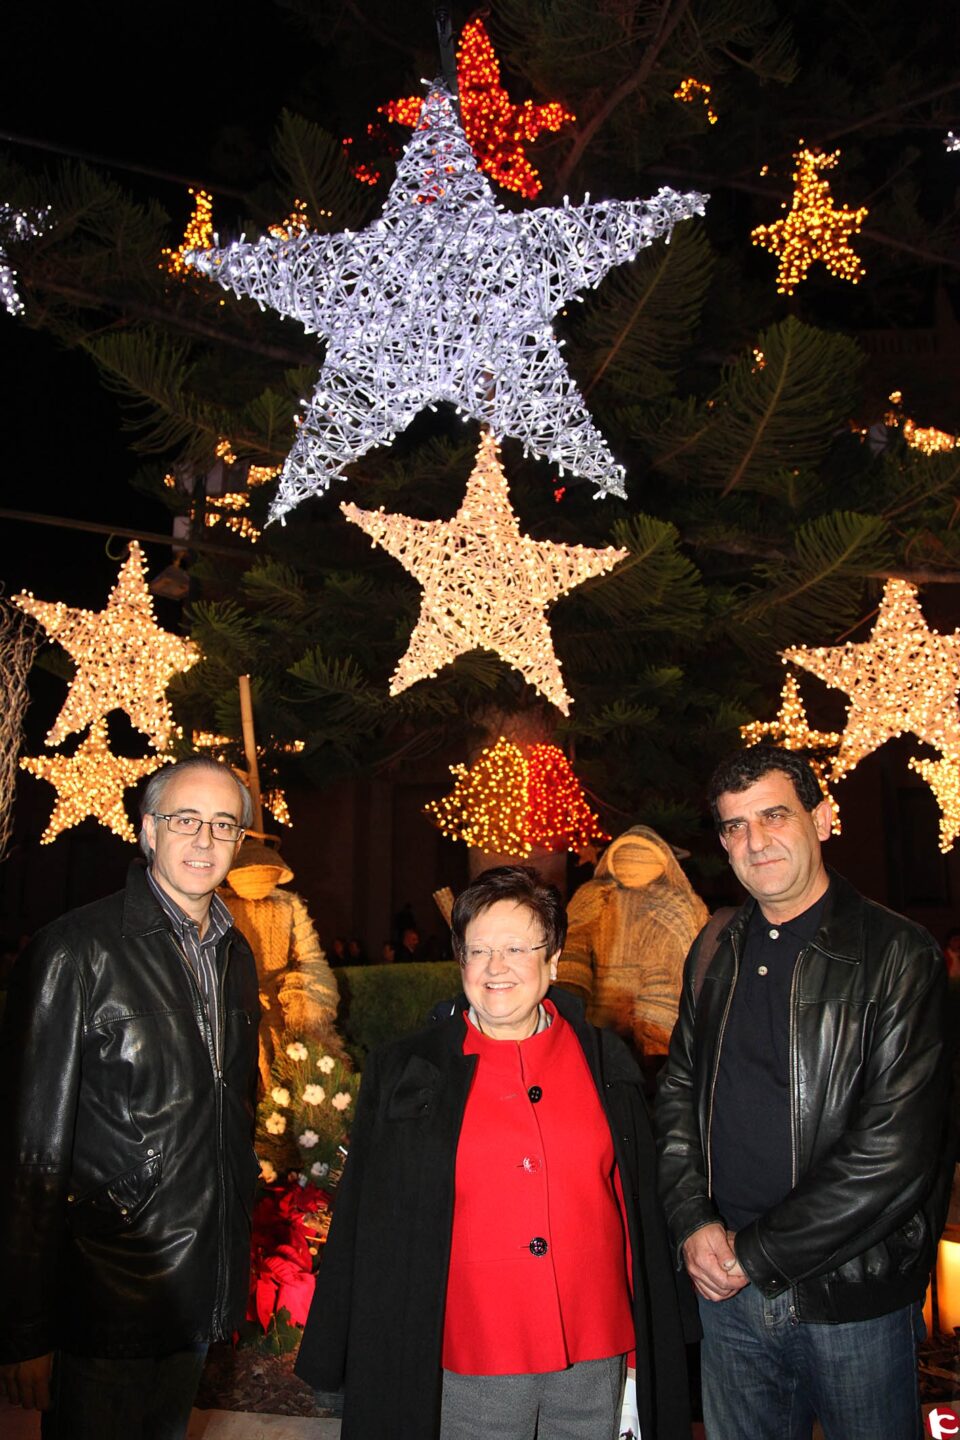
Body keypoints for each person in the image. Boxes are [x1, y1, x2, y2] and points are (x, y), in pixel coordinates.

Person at [295, 864, 695, 1440]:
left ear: (552, 959)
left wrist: (645, 1350)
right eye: (478, 950)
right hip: (472, 1350)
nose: (494, 967)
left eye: (515, 948)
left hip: (595, 1345)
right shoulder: (409, 1072)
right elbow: (367, 1221)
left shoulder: (607, 1063)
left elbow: (639, 1215)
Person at [656, 744, 952, 1440]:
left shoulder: (897, 954)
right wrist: (692, 1222)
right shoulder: (714, 949)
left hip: (852, 1298)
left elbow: (894, 1152)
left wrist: (754, 1254)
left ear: (820, 820)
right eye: (735, 826)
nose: (755, 842)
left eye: (774, 816)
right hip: (727, 1295)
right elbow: (677, 1095)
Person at [0, 756, 261, 1440]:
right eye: (185, 819)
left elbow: (231, 1109)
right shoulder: (74, 951)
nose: (204, 840)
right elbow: (30, 1150)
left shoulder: (235, 953)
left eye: (223, 824)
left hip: (196, 1284)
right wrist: (24, 1326)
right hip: (107, 1288)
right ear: (147, 829)